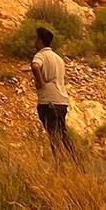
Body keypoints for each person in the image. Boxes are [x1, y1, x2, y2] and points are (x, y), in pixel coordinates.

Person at [31, 26, 76, 160]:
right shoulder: (58, 58)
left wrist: (40, 82)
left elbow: (35, 66)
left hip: (48, 101)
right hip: (62, 101)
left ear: (40, 41)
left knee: (52, 135)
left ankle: (59, 165)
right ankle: (76, 162)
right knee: (63, 133)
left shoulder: (40, 55)